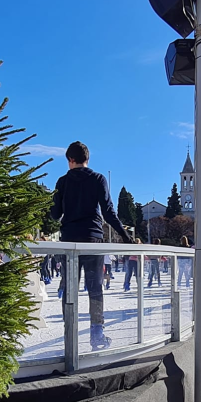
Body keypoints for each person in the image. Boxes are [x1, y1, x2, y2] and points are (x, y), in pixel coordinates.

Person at [50, 141, 133, 349]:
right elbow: (108, 212)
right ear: (87, 159)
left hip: (69, 240)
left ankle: (70, 334)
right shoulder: (98, 179)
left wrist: (54, 199)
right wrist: (125, 236)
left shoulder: (62, 181)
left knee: (70, 289)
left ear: (70, 160)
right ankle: (97, 334)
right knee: (95, 287)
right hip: (92, 240)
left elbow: (55, 214)